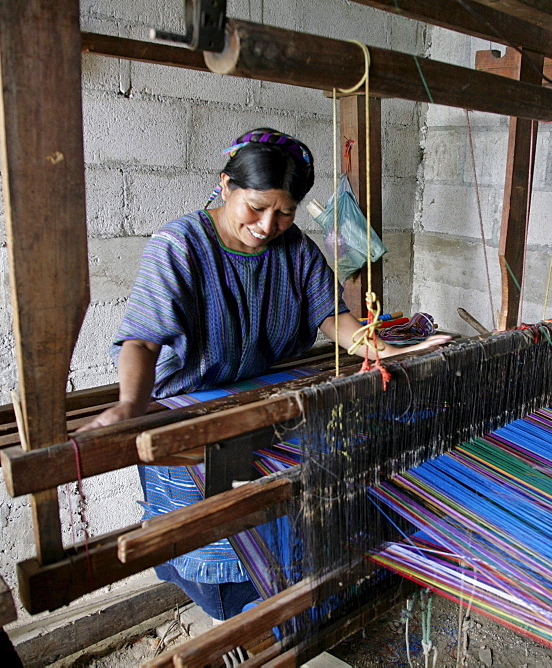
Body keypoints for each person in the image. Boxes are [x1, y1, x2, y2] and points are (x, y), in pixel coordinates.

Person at [79, 128, 450, 621]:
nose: (268, 224)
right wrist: (130, 405)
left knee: (280, 519)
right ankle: (235, 623)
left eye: (285, 212)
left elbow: (334, 319)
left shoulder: (293, 247)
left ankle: (282, 613)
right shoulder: (180, 245)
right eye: (256, 207)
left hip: (259, 397)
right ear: (226, 185)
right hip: (189, 406)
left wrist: (387, 350)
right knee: (213, 544)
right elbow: (143, 340)